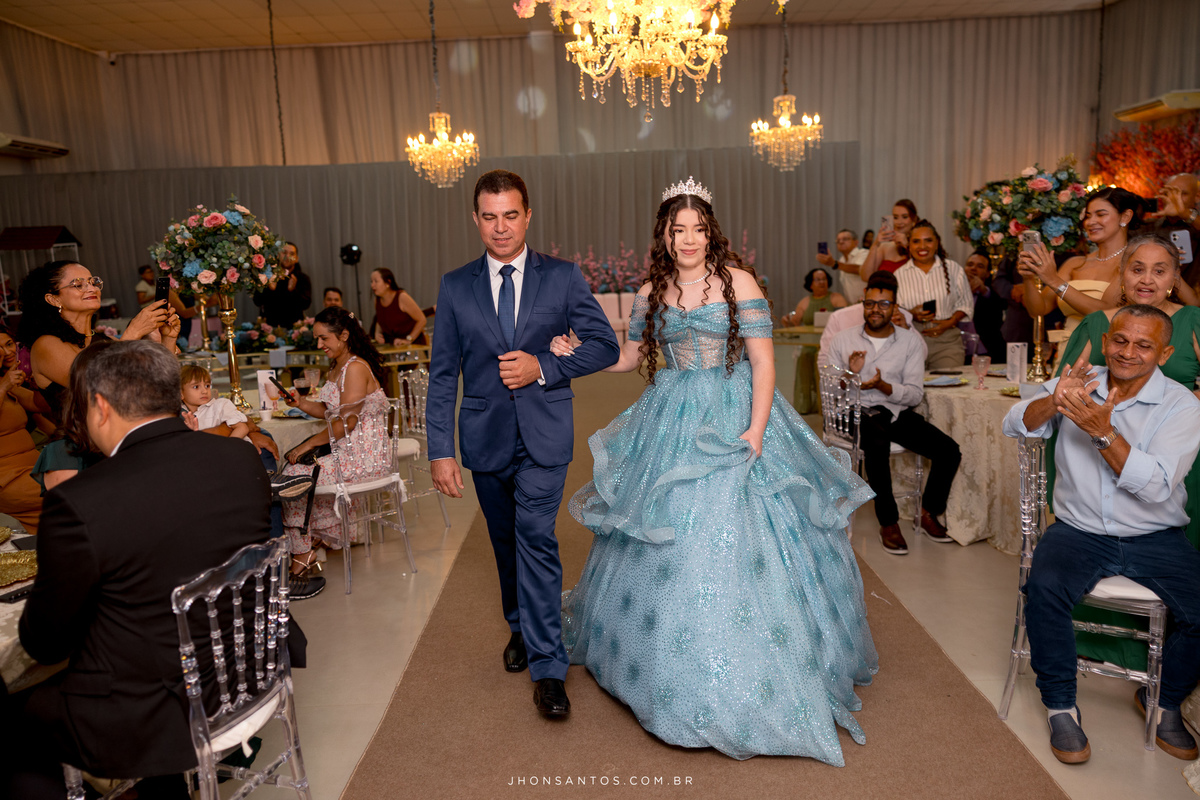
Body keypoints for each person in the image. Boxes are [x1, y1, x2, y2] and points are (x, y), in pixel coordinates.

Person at [549, 178, 877, 763]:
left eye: (698, 229)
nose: (688, 239)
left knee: (735, 528)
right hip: (670, 415)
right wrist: (577, 353)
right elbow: (629, 358)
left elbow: (763, 362)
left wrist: (755, 430)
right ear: (664, 235)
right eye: (678, 230)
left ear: (711, 233)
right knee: (668, 528)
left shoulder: (738, 282)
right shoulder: (649, 291)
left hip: (732, 411)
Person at [7, 340, 291, 798]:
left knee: (17, 710)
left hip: (161, 710)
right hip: (250, 672)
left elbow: (44, 641)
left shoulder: (81, 502)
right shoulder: (238, 458)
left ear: (100, 406)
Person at [427, 169, 620, 720]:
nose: (501, 227)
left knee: (535, 537)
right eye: (490, 217)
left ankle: (549, 668)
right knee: (504, 541)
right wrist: (440, 450)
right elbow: (443, 376)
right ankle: (519, 625)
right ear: (476, 219)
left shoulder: (561, 276)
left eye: (510, 215)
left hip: (544, 436)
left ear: (528, 215)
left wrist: (544, 366)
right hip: (484, 437)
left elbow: (604, 345)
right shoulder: (455, 285)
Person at [1002, 305, 1200, 764]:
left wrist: (1102, 432)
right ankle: (1061, 707)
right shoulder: (1080, 381)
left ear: (1164, 353)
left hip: (1155, 534)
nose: (1128, 352)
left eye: (1144, 345)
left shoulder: (1182, 406)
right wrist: (1055, 400)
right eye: (1120, 340)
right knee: (1044, 589)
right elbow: (1015, 423)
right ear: (1106, 341)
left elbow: (1155, 486)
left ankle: (1164, 700)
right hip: (1080, 530)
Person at [827, 272, 962, 555]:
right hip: (852, 412)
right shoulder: (842, 340)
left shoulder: (909, 342)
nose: (875, 309)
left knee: (949, 450)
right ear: (863, 303)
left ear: (895, 307)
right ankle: (888, 523)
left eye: (883, 304)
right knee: (877, 442)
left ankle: (929, 512)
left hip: (892, 410)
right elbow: (829, 391)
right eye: (870, 303)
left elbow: (914, 394)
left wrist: (883, 386)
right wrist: (850, 374)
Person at [1017, 187, 1144, 352]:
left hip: (1105, 352)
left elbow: (1105, 312)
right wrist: (1028, 277)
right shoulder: (1075, 264)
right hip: (1067, 351)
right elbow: (1038, 310)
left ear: (1125, 216)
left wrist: (1054, 280)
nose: (1090, 222)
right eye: (1088, 216)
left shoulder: (1134, 264)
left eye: (1101, 214)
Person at [894, 219, 974, 370]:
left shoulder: (954, 269)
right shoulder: (898, 275)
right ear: (909, 245)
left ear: (937, 243)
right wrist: (911, 314)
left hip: (947, 342)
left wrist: (950, 322)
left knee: (950, 382)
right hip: (911, 340)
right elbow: (894, 311)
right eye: (916, 241)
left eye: (928, 241)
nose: (922, 246)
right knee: (914, 384)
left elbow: (966, 304)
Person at [782, 267, 846, 414]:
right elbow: (795, 322)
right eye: (817, 280)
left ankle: (826, 404)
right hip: (810, 344)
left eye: (824, 279)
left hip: (832, 344)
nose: (821, 282)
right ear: (810, 284)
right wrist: (787, 320)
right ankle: (805, 404)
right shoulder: (805, 302)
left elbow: (844, 320)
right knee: (805, 356)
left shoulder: (837, 298)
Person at [0, 339, 43, 533]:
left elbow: (37, 405)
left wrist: (39, 381)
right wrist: (3, 388)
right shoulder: (4, 384)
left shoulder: (5, 381)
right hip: (7, 478)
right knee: (77, 487)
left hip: (35, 466)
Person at [1146, 172, 1199, 287]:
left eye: (1182, 193)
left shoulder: (1196, 229)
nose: (1174, 198)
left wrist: (1185, 214)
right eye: (1168, 193)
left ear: (1197, 197)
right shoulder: (1148, 227)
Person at [180, 364, 250, 441]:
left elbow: (242, 428)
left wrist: (229, 445)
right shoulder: (180, 414)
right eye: (196, 387)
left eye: (207, 386)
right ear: (180, 394)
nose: (204, 391)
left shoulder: (221, 405)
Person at [254, 241, 311, 327]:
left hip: (294, 329)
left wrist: (293, 290)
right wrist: (270, 289)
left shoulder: (302, 278)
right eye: (284, 252)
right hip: (269, 328)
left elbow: (306, 304)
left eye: (292, 254)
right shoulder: (267, 275)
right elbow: (257, 301)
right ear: (277, 255)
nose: (287, 256)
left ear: (296, 259)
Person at [965, 247, 1008, 362]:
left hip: (987, 354)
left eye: (980, 266)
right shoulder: (952, 292)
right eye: (970, 264)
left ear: (988, 273)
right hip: (959, 351)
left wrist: (983, 290)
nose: (973, 268)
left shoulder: (991, 295)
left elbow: (999, 305)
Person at [859, 199, 918, 280]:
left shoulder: (921, 244)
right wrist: (875, 244)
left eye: (904, 217)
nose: (899, 222)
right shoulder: (885, 246)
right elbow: (866, 276)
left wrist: (906, 246)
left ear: (913, 219)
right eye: (895, 217)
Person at [369, 268, 427, 346]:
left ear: (388, 283)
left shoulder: (402, 297)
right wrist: (377, 332)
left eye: (376, 281)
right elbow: (380, 319)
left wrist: (409, 339)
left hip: (414, 345)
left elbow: (422, 320)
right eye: (371, 281)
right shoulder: (377, 300)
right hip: (395, 345)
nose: (372, 285)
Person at [820, 229, 870, 304]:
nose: (841, 242)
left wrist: (834, 263)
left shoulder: (864, 253)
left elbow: (860, 269)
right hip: (851, 304)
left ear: (856, 242)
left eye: (845, 239)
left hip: (867, 302)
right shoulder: (842, 260)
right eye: (838, 240)